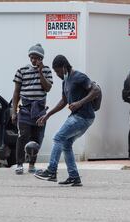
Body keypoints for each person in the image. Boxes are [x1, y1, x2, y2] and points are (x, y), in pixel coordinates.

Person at [34, 55, 100, 186]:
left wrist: (80, 103)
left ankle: (51, 171)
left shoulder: (79, 77)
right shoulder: (65, 81)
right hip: (79, 117)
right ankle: (74, 177)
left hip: (83, 116)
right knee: (66, 144)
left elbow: (96, 90)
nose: (57, 74)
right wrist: (48, 115)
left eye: (58, 71)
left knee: (58, 138)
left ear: (64, 67)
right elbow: (64, 101)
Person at [12, 43, 53, 174]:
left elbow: (48, 88)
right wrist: (13, 112)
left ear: (41, 58)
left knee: (37, 138)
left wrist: (40, 72)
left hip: (40, 110)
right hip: (25, 109)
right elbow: (16, 92)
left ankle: (31, 165)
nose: (33, 60)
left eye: (36, 57)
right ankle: (19, 164)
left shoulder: (46, 70)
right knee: (22, 137)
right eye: (31, 57)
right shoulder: (22, 71)